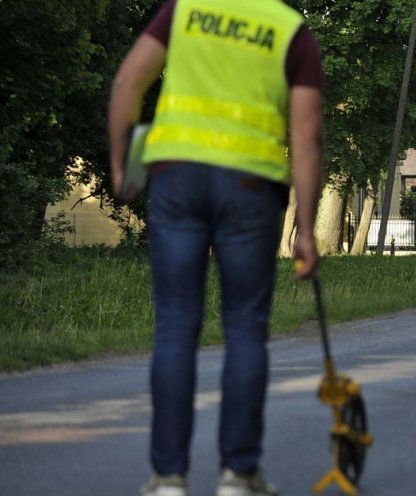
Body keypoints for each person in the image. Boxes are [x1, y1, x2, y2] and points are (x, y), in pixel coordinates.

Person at [108, 1, 323, 495]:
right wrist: (306, 230)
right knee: (246, 327)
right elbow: (307, 133)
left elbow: (127, 82)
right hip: (251, 187)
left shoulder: (184, 11)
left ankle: (168, 478)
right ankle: (239, 475)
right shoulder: (290, 31)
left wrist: (121, 164)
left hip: (176, 180)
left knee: (176, 326)